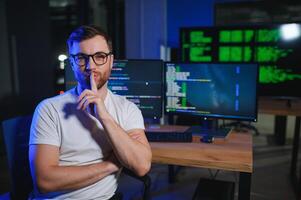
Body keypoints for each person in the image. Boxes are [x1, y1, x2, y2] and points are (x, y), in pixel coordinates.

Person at [29, 25, 152, 200]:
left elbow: (141, 166)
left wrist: (104, 116)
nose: (90, 66)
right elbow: (44, 181)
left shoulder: (127, 109)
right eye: (81, 58)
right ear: (71, 63)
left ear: (111, 61)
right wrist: (110, 165)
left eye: (100, 57)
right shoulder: (48, 109)